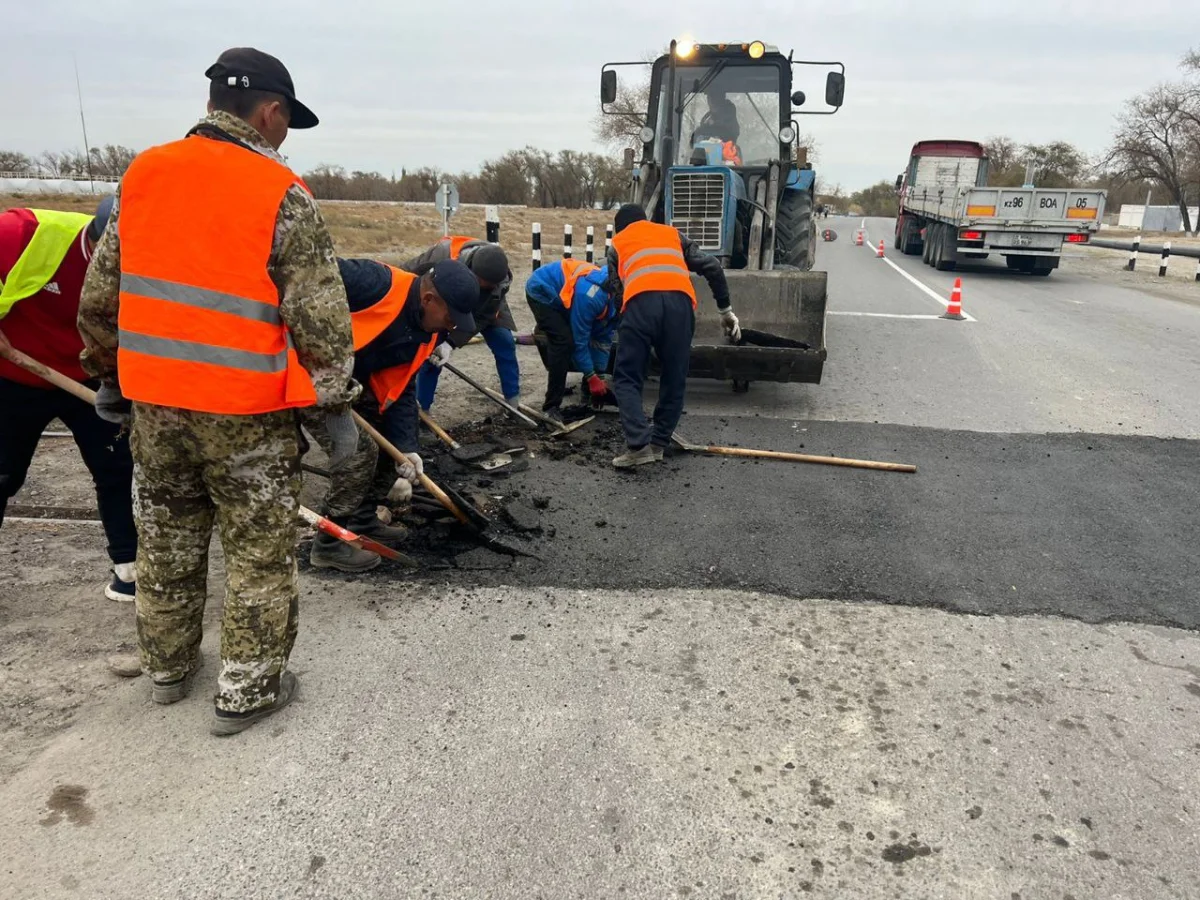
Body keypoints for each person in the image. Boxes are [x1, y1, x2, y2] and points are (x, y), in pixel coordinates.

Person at [77, 47, 357, 736]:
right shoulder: (279, 191)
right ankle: (248, 689)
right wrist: (333, 402)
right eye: (287, 122)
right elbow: (318, 315)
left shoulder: (143, 175)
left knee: (167, 538)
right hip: (245, 416)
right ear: (271, 112)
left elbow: (99, 297)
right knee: (258, 551)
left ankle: (168, 668)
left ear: (211, 108)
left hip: (157, 411)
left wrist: (108, 373)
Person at [0, 197, 138, 601]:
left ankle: (130, 571)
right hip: (13, 378)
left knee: (119, 468)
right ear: (97, 243)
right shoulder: (23, 235)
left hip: (93, 377)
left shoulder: (149, 272)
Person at [301, 257, 478, 572]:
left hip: (353, 383)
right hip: (306, 377)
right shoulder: (373, 283)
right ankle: (329, 543)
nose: (450, 328)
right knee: (357, 453)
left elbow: (401, 389)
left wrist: (406, 446)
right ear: (428, 299)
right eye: (450, 319)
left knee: (390, 448)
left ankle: (363, 519)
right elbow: (305, 273)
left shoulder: (430, 332)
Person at [604, 203, 740, 468]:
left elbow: (616, 289)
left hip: (640, 303)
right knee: (674, 376)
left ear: (620, 227)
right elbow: (712, 266)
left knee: (627, 377)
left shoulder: (617, 244)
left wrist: (629, 327)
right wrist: (725, 310)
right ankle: (658, 443)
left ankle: (639, 445)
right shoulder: (672, 234)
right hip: (680, 306)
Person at [402, 236, 520, 408]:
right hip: (445, 302)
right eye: (479, 284)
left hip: (485, 307)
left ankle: (513, 403)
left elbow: (480, 318)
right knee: (433, 356)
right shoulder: (442, 255)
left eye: (485, 287)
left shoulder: (499, 282)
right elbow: (404, 276)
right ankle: (423, 412)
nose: (480, 288)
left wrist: (451, 343)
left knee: (505, 343)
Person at [524, 258, 619, 418]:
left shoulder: (618, 302)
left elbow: (603, 339)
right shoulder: (591, 296)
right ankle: (551, 406)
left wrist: (600, 376)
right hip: (542, 291)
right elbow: (579, 341)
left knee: (588, 333)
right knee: (563, 342)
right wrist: (591, 375)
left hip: (568, 295)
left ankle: (588, 390)